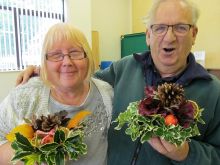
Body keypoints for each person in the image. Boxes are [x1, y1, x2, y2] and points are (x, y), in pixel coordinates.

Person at [15, 0, 220, 164]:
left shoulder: (213, 91)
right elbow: (82, 83)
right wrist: (48, 70)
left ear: (194, 34)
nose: (169, 37)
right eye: (159, 28)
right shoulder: (125, 68)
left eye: (181, 28)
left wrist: (187, 154)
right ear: (148, 35)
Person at [0, 23, 113, 165]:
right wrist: (30, 155)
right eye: (56, 55)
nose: (67, 62)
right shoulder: (25, 95)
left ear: (87, 57)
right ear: (44, 62)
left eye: (75, 53)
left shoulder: (107, 93)